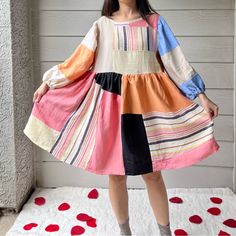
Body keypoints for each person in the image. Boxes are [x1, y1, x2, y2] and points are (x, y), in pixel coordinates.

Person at [24, 0, 220, 235]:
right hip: (110, 107)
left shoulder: (154, 23)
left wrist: (201, 97)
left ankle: (165, 232)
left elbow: (176, 63)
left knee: (152, 173)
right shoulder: (102, 25)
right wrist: (49, 82)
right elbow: (79, 61)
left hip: (146, 107)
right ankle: (124, 231)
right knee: (116, 174)